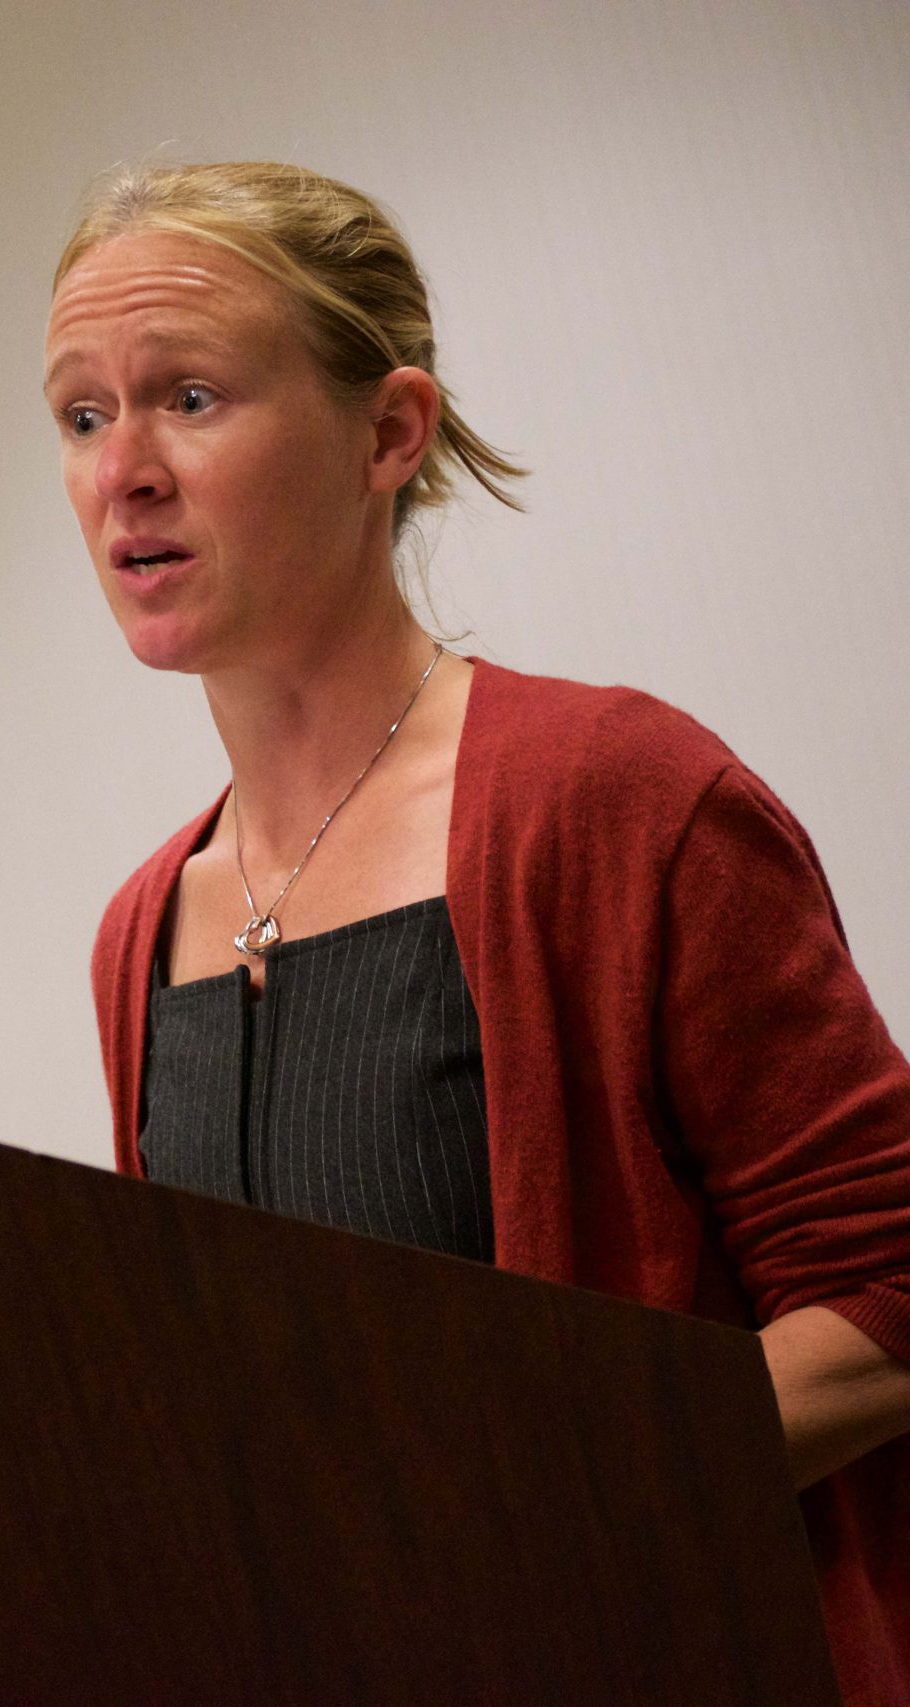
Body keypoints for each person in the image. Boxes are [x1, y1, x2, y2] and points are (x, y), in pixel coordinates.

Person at [48, 161, 910, 1702]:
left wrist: (517, 1514)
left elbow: (885, 1292)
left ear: (390, 432)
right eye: (83, 415)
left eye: (191, 397)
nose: (126, 473)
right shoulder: (142, 932)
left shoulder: (619, 800)